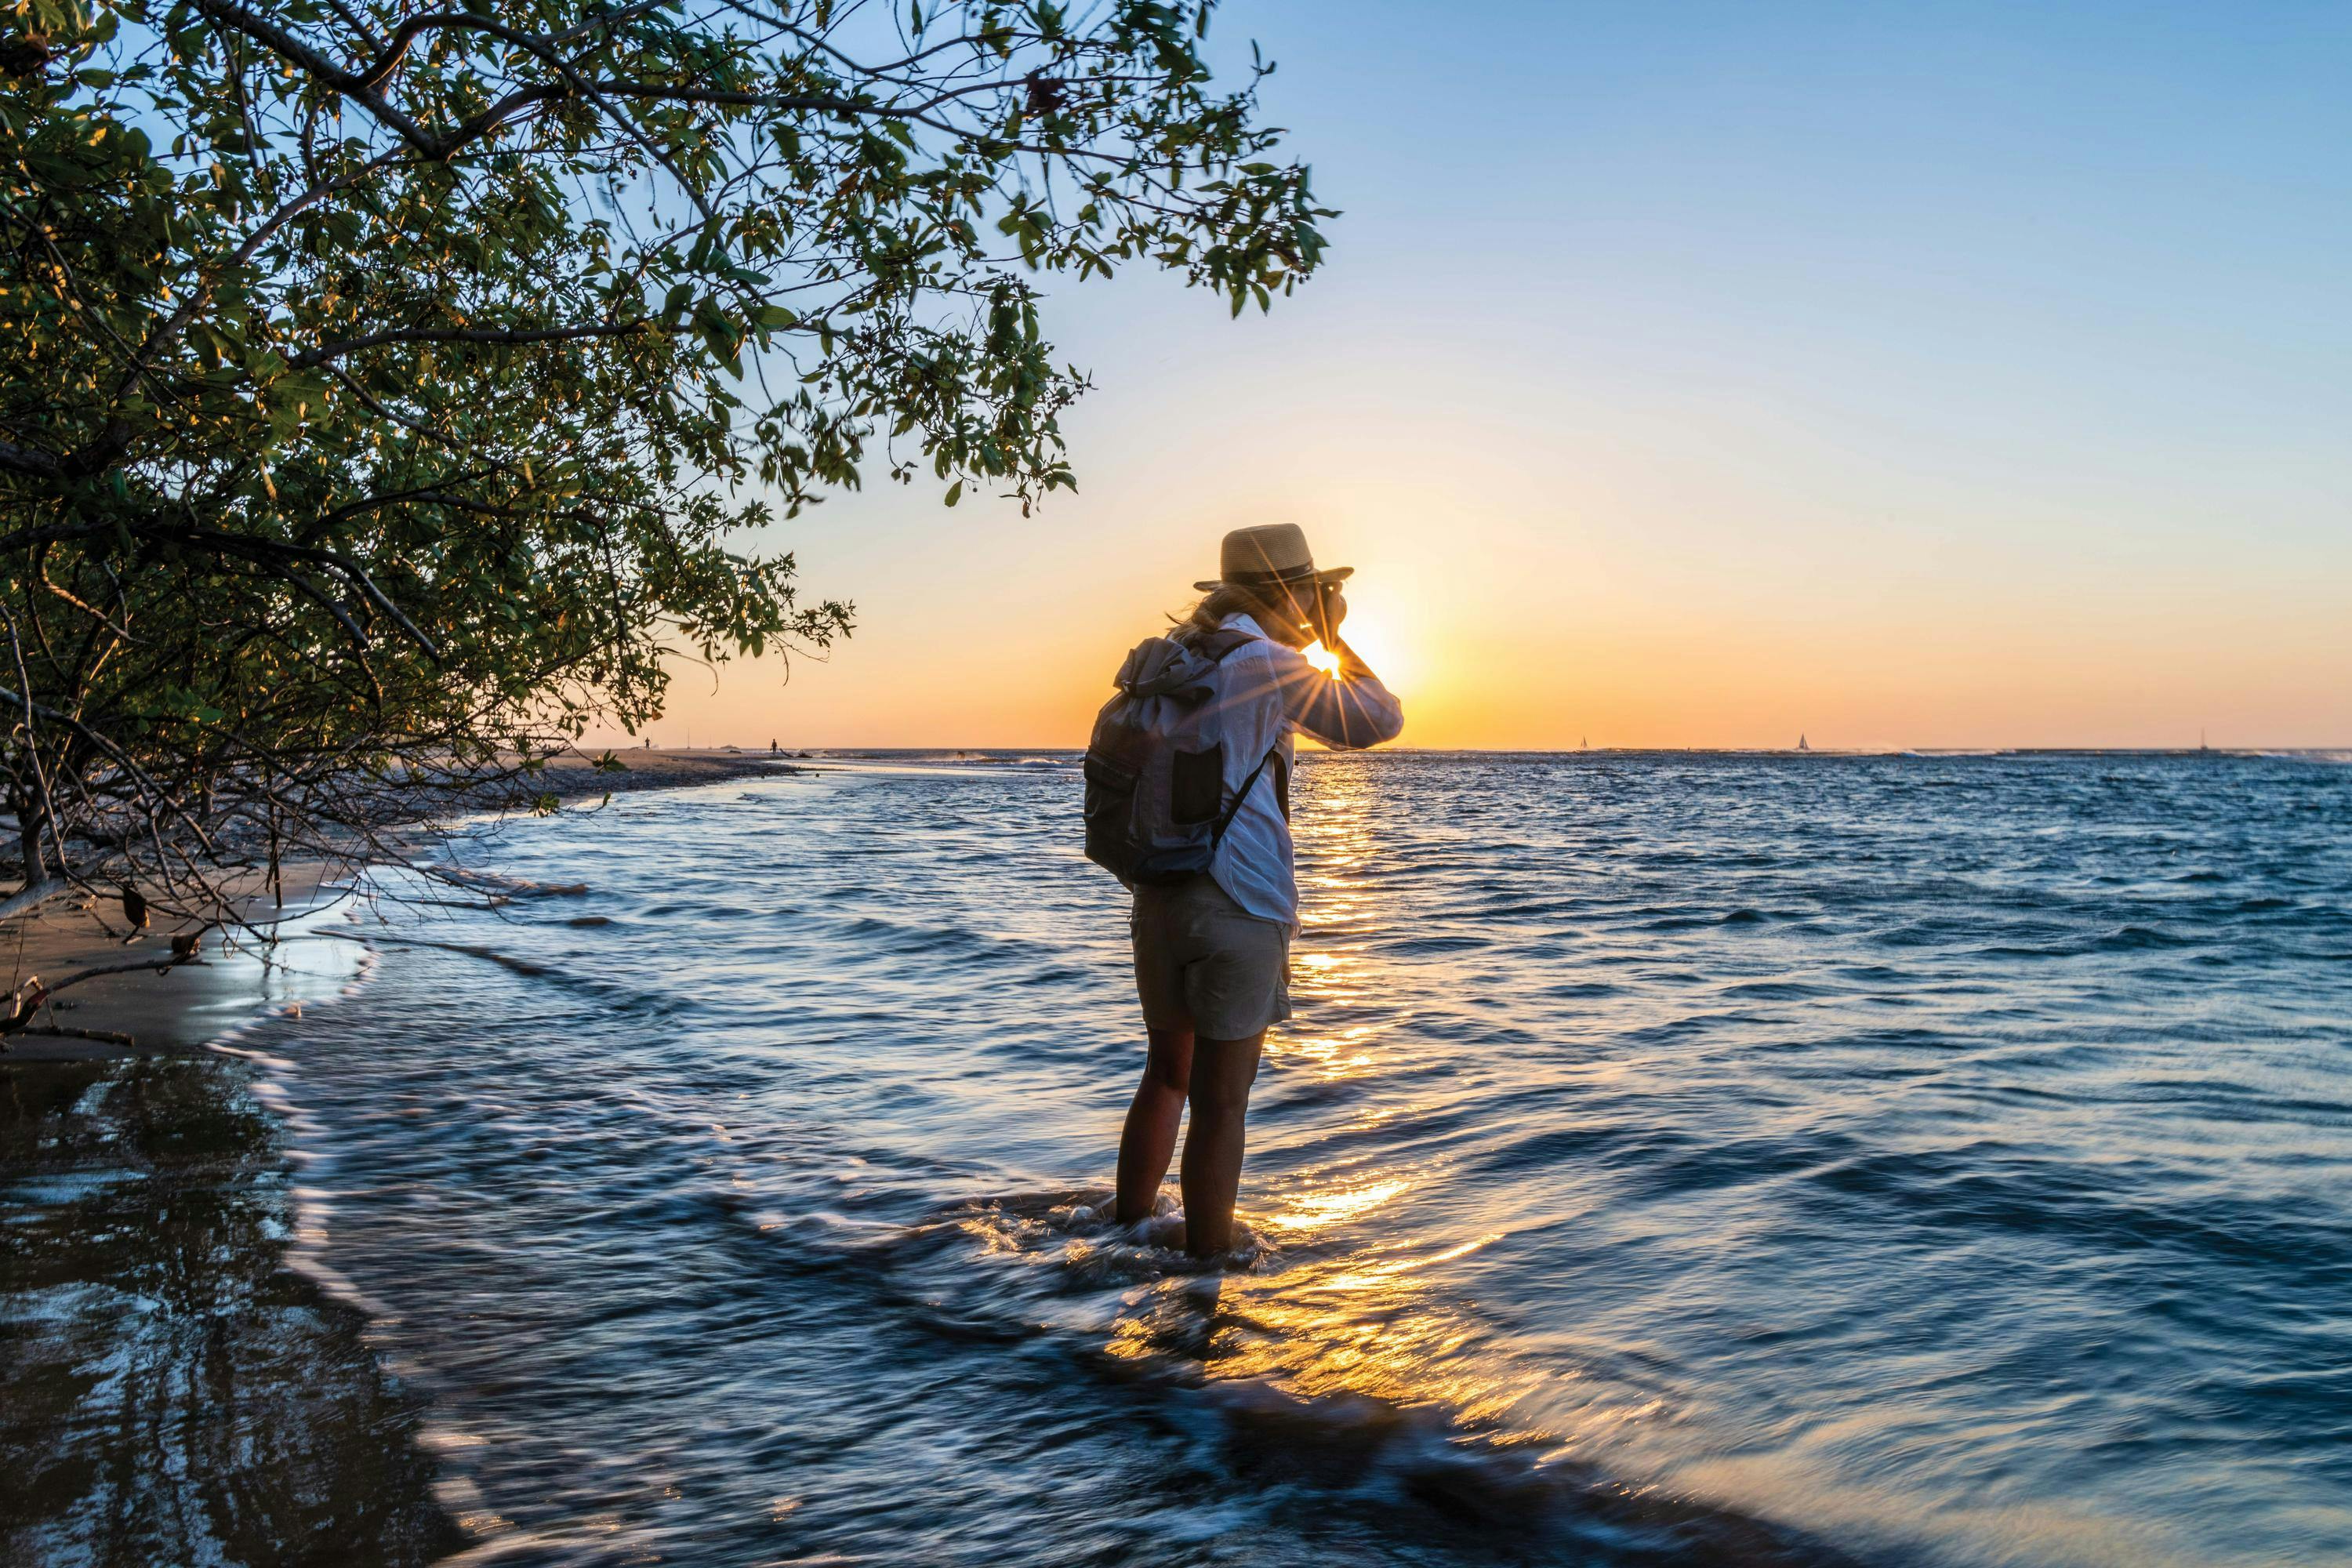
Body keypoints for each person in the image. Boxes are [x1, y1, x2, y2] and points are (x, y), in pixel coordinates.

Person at [1114, 524, 1405, 1258]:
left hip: (1158, 896)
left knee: (1165, 1075)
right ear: (1295, 593)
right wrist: (1333, 637)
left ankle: (1125, 1237)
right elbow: (1377, 719)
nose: (1321, 600)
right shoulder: (1266, 663)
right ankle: (1204, 1284)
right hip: (1238, 903)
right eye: (1314, 590)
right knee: (1222, 1103)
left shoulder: (1169, 658)